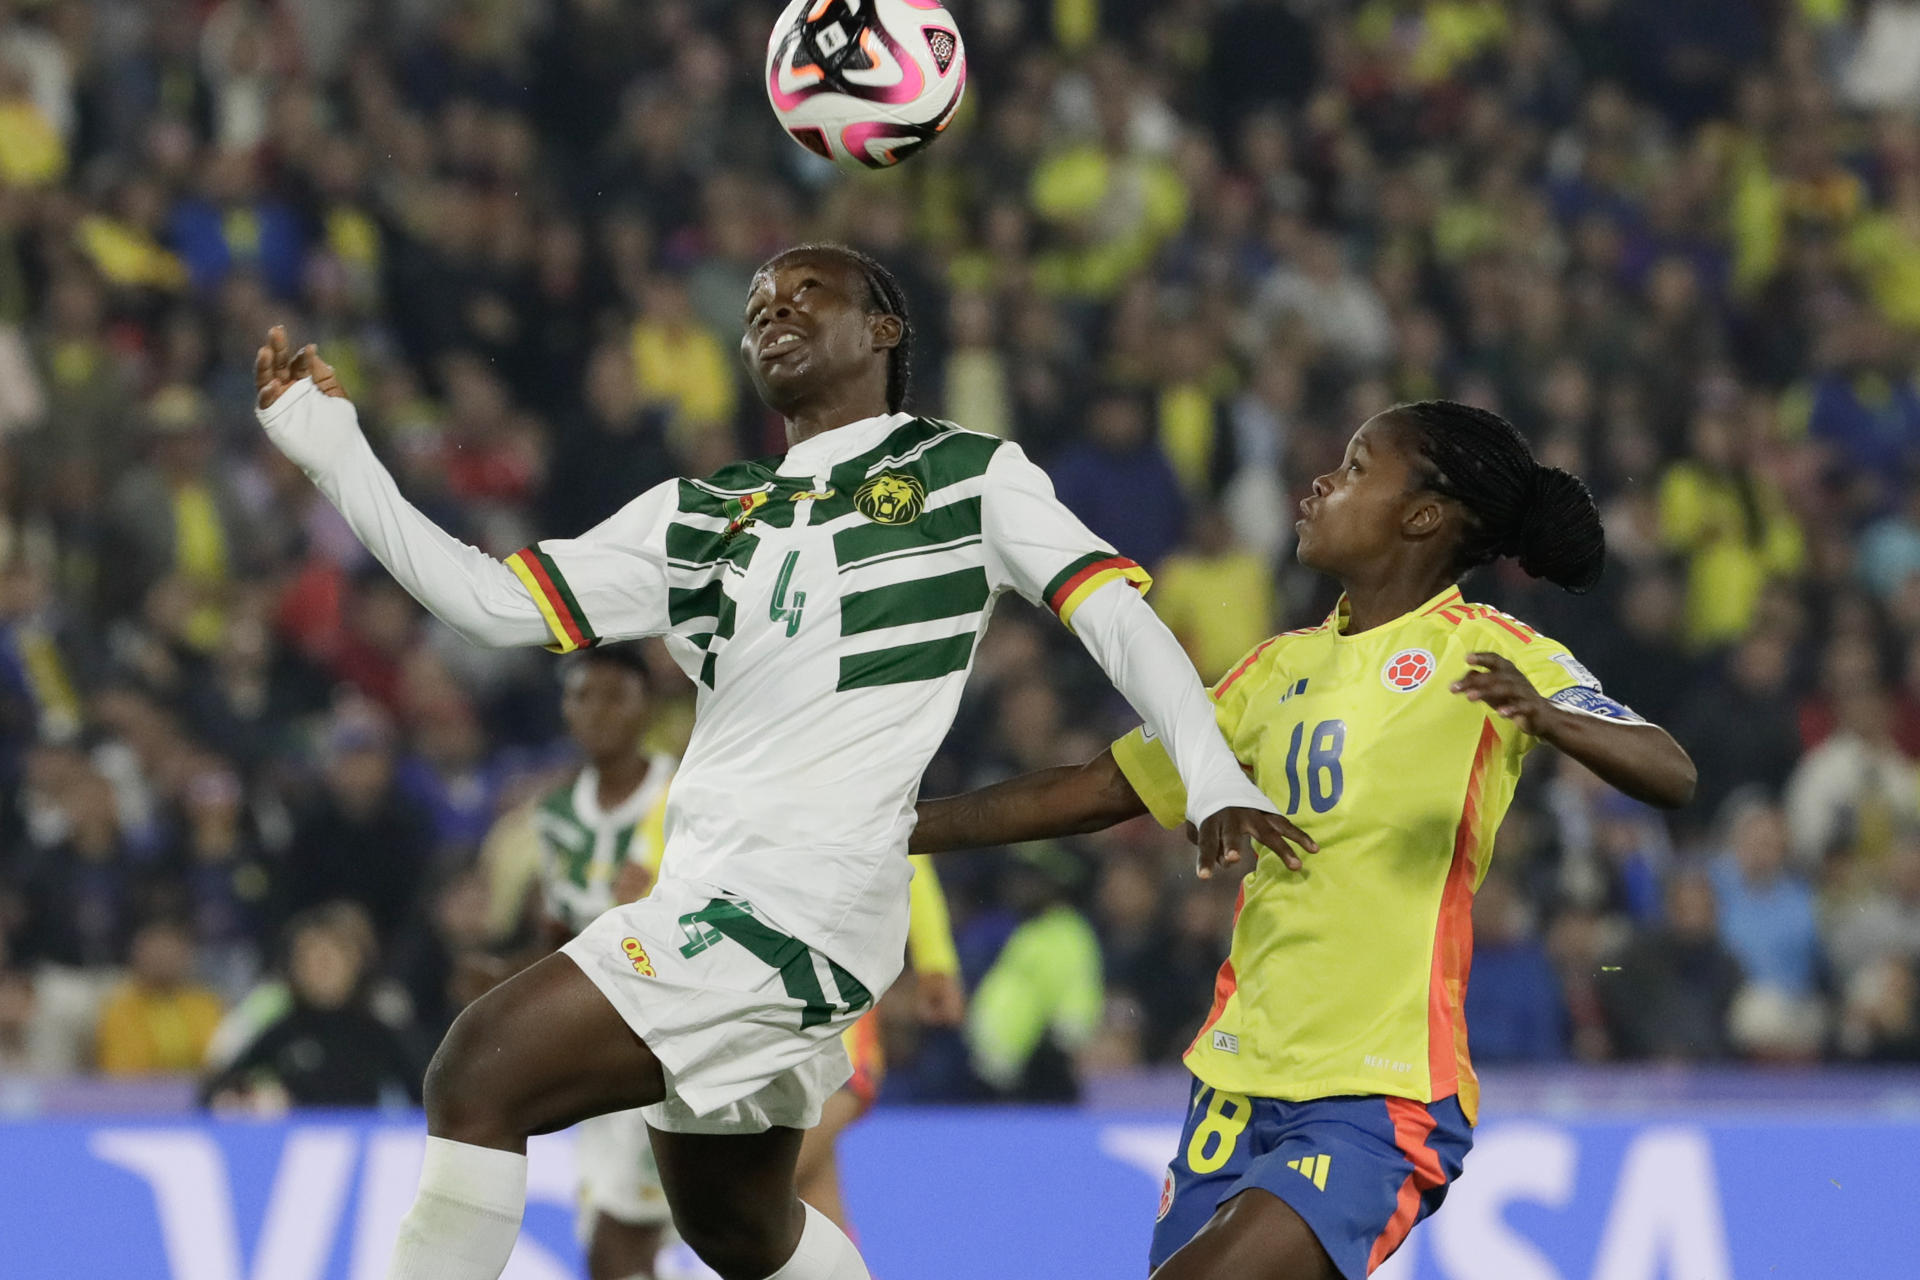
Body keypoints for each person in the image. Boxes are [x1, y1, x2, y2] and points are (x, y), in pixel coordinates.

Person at [251, 241, 1286, 1280]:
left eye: (806, 292)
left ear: (884, 329)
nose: (772, 310)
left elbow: (1115, 616)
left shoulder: (966, 473)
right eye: (756, 303)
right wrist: (334, 449)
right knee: (740, 1226)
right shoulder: (700, 514)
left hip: (797, 901)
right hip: (718, 893)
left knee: (478, 1067)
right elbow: (486, 600)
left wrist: (1211, 772)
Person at [912, 400, 1696, 1280]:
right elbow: (1096, 789)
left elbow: (1670, 771)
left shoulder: (1491, 651)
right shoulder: (1273, 670)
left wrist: (1550, 717)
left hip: (1377, 1090)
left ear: (1423, 516)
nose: (1322, 481)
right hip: (1234, 1084)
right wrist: (895, 825)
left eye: (1358, 468)